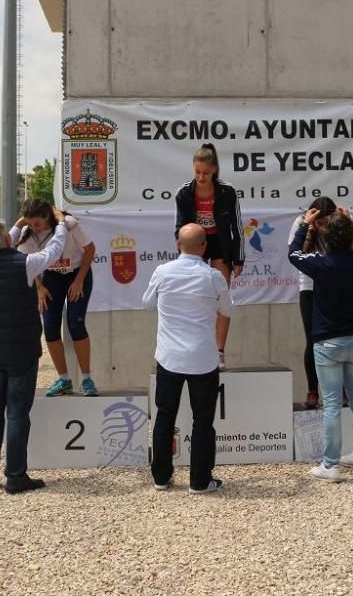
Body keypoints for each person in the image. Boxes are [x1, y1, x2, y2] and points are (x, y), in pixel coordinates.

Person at [0, 209, 70, 493]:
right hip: (21, 350)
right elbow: (54, 250)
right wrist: (60, 224)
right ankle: (15, 475)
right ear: (5, 239)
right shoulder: (24, 264)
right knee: (16, 414)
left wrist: (14, 226)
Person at [143, 224, 233, 494]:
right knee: (203, 420)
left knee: (164, 417)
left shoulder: (162, 272)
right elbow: (227, 310)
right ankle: (200, 481)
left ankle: (161, 478)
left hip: (169, 357)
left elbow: (147, 303)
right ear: (204, 246)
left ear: (177, 245)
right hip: (203, 358)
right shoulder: (213, 276)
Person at [289, 207, 353, 483]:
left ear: (327, 236)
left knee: (332, 406)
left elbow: (293, 253)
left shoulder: (320, 262)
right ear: (349, 236)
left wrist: (304, 224)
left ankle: (331, 464)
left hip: (327, 343)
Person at [11, 199, 98, 397]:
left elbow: (90, 250)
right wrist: (39, 287)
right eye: (29, 223)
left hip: (77, 273)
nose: (34, 227)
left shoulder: (68, 224)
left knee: (76, 324)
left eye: (37, 223)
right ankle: (64, 379)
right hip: (51, 278)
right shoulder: (27, 235)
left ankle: (86, 379)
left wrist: (79, 281)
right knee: (50, 327)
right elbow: (28, 265)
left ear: (47, 217)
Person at [174, 143, 244, 370]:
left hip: (220, 245)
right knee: (195, 296)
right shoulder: (184, 192)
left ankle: (219, 351)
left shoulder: (227, 191)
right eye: (197, 172)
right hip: (195, 244)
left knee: (222, 297)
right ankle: (195, 349)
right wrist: (183, 258)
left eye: (205, 172)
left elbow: (237, 227)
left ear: (214, 169)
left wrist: (238, 259)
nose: (201, 176)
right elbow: (179, 228)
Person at [288, 196, 337, 409]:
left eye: (326, 222)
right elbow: (294, 252)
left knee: (336, 338)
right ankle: (312, 389)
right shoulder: (301, 222)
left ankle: (338, 390)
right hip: (308, 285)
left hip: (334, 285)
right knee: (313, 338)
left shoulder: (338, 223)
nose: (322, 227)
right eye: (319, 222)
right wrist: (308, 225)